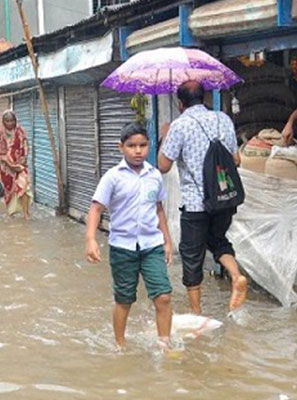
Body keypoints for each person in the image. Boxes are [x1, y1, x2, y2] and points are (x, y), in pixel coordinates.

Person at [158, 80, 247, 314]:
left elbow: (163, 165)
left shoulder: (179, 126)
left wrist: (165, 136)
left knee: (191, 255)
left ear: (180, 103)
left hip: (196, 205)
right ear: (204, 97)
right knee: (218, 241)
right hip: (224, 199)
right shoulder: (223, 119)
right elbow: (236, 159)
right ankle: (237, 276)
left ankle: (197, 312)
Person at [86, 122, 174, 350]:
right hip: (122, 247)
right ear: (121, 147)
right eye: (131, 146)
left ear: (149, 146)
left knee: (163, 296)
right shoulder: (112, 177)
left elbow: (159, 208)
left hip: (151, 245)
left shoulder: (154, 175)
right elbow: (96, 208)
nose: (138, 151)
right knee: (124, 299)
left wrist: (167, 240)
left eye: (143, 145)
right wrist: (91, 240)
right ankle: (120, 344)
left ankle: (165, 344)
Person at [0, 110, 33, 219]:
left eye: (12, 121)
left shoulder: (21, 131)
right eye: (7, 121)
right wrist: (10, 165)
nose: (10, 123)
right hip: (7, 168)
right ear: (3, 122)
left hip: (20, 166)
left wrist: (24, 158)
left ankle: (26, 213)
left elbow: (26, 145)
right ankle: (11, 213)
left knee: (24, 187)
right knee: (9, 191)